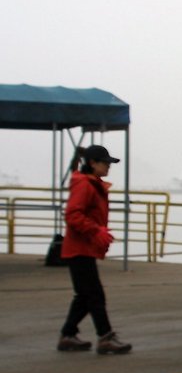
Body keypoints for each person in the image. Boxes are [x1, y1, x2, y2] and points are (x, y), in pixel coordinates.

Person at [58, 145, 132, 354]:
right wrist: (95, 231)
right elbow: (73, 215)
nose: (108, 166)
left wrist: (96, 233)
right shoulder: (85, 185)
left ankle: (68, 335)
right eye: (105, 162)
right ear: (92, 163)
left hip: (83, 248)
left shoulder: (92, 183)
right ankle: (105, 337)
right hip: (79, 248)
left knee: (85, 295)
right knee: (94, 295)